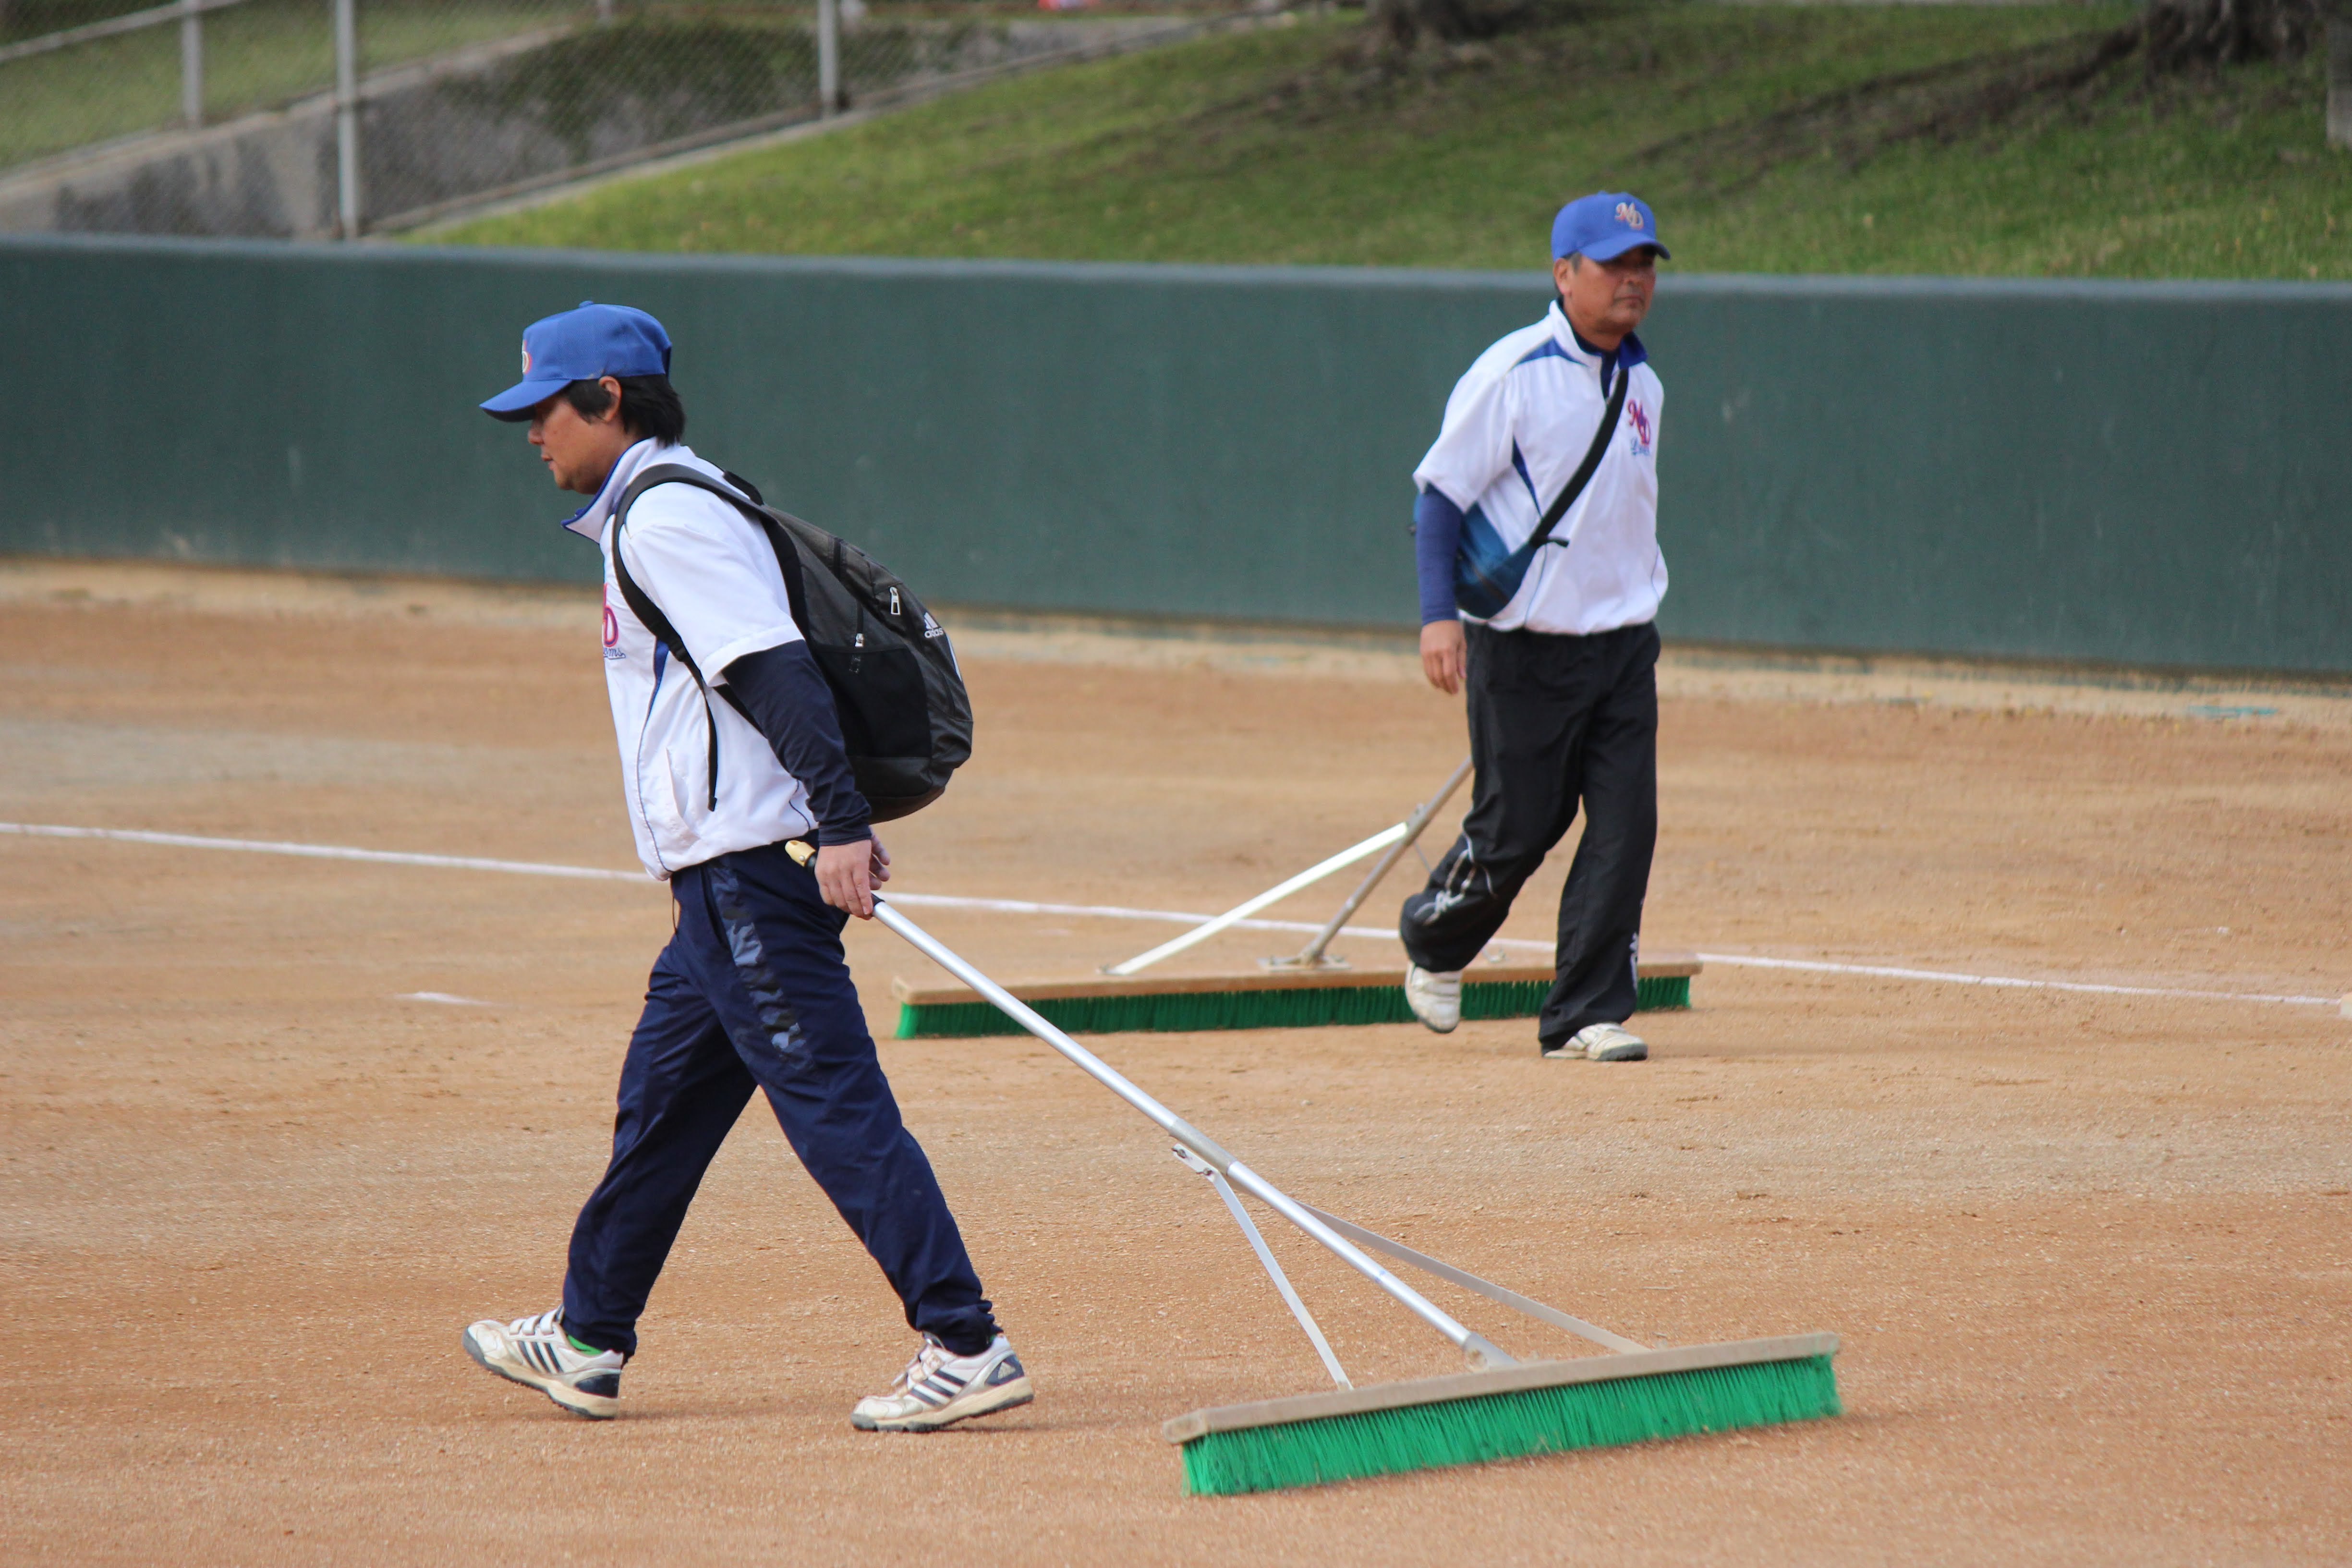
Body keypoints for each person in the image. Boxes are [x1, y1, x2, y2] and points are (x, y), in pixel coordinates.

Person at [459, 301, 1031, 1433]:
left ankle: (965, 1339)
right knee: (662, 1106)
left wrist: (841, 824)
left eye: (545, 410)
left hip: (752, 875)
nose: (533, 433)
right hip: (716, 889)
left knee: (832, 1103)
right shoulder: (673, 500)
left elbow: (775, 676)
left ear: (607, 400)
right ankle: (586, 1335)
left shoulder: (666, 521)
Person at [1398, 194, 1670, 1064]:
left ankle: (1584, 1014)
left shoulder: (1645, 384)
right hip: (1522, 645)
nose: (1632, 281)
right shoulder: (1512, 372)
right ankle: (1436, 938)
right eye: (1612, 265)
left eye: (1644, 266)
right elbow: (1439, 496)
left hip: (1624, 642)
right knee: (1518, 827)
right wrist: (1439, 617)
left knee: (1626, 823)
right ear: (1563, 273)